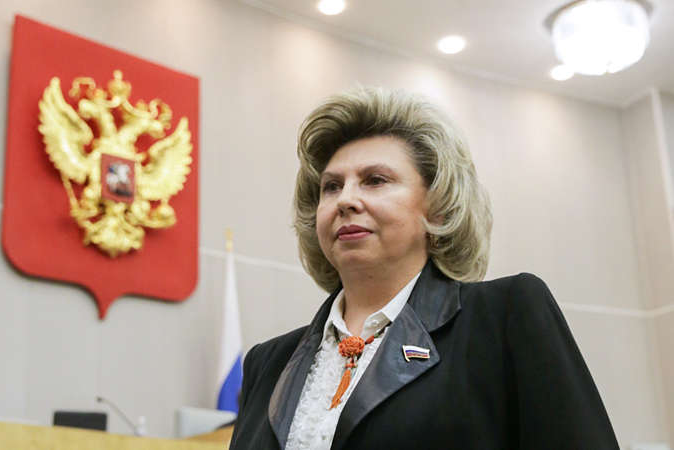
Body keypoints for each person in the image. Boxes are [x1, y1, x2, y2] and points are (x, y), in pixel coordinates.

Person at [229, 87, 619, 450]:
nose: (345, 200)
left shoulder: (503, 316)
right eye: (331, 186)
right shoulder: (268, 362)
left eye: (374, 180)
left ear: (438, 206)